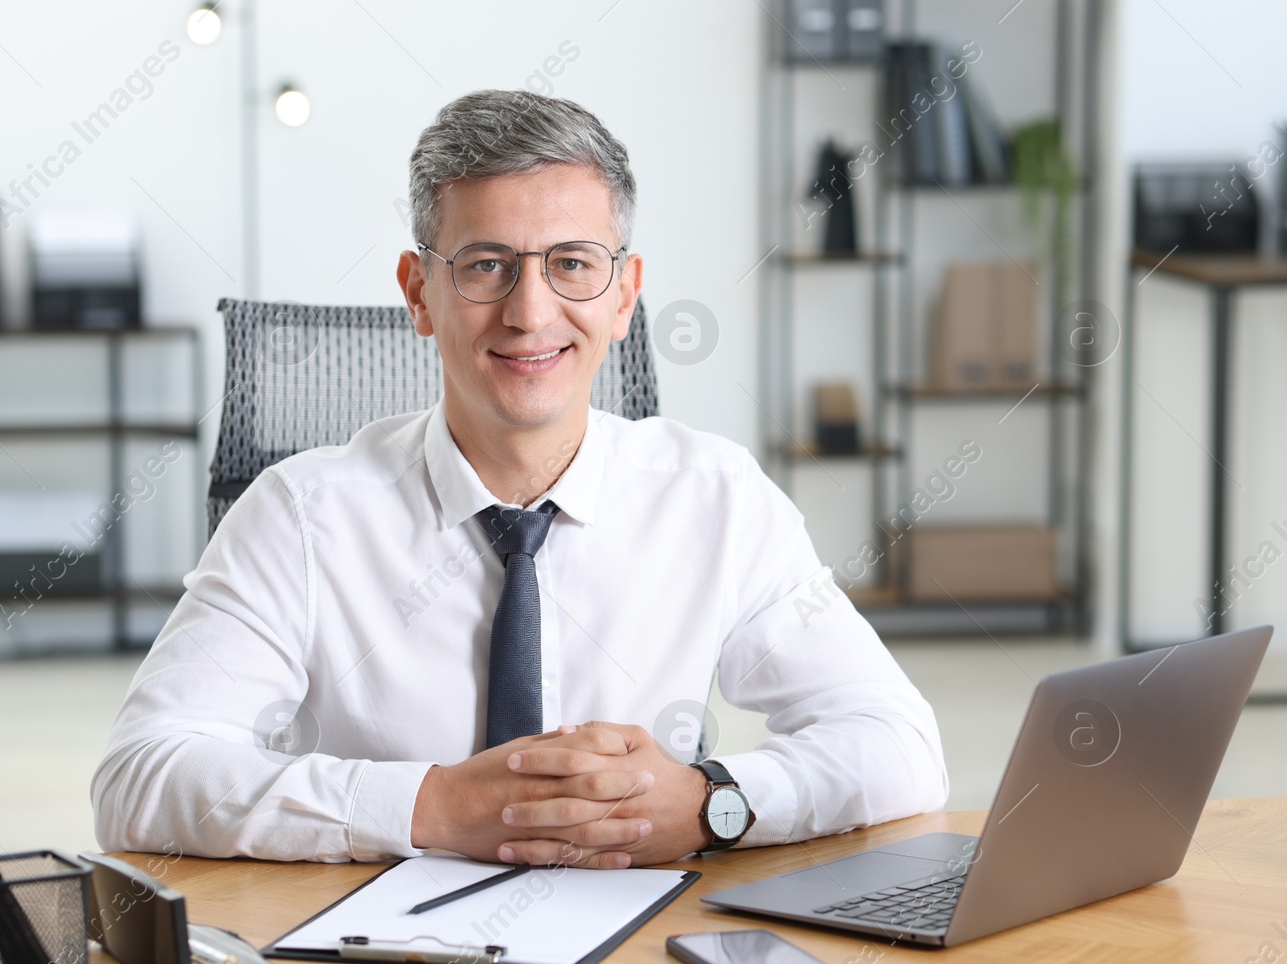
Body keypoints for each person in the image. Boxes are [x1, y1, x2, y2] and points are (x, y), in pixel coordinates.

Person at [91, 89, 947, 869]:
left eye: (572, 263)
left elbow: (900, 744)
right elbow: (140, 773)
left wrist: (713, 800)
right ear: (419, 292)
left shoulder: (716, 497)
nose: (530, 312)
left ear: (624, 295)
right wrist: (429, 805)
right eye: (486, 264)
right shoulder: (299, 514)